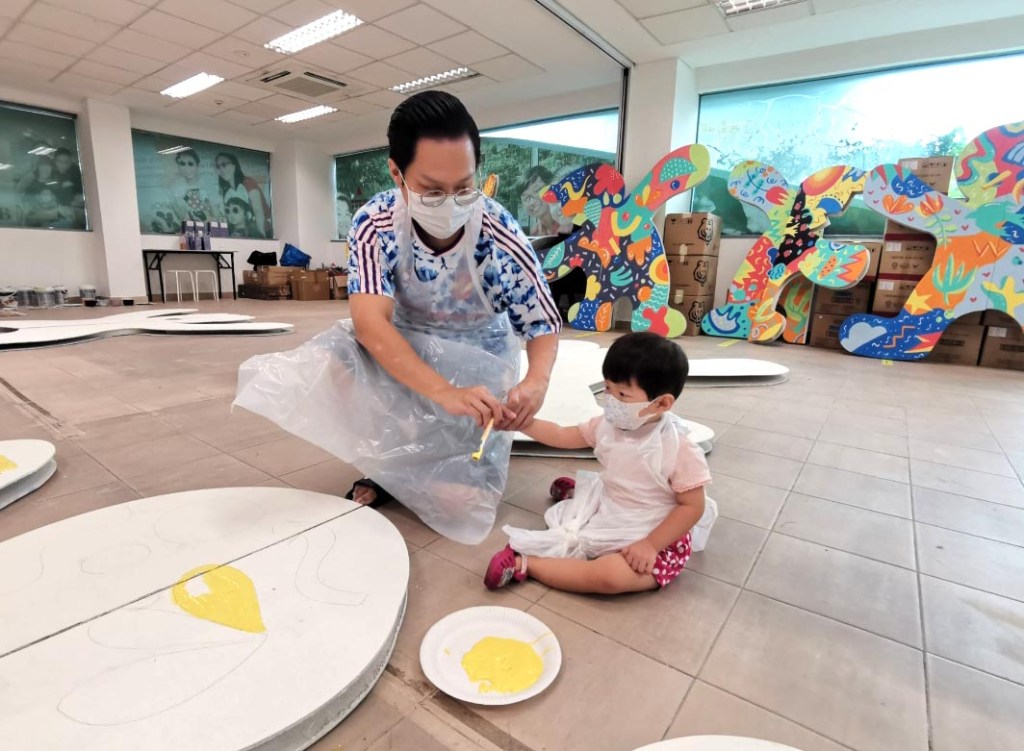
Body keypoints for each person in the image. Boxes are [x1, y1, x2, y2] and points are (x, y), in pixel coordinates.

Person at [234, 91, 561, 545]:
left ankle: (435, 459)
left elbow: (541, 320)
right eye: (433, 191)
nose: (451, 203)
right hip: (404, 348)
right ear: (396, 173)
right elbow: (371, 325)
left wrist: (536, 382)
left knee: (460, 504)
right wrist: (442, 391)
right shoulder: (376, 223)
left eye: (464, 187)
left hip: (478, 358)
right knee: (337, 355)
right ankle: (387, 464)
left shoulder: (497, 229)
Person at [484, 332, 716, 594]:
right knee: (582, 515)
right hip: (613, 505)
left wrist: (651, 544)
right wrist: (522, 423)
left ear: (661, 403)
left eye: (623, 395)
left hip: (656, 531)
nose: (611, 401)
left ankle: (525, 564)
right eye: (607, 388)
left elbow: (692, 507)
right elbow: (562, 435)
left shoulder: (679, 449)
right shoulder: (606, 426)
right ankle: (580, 496)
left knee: (610, 577)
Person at [215, 152, 271, 238]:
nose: (221, 169)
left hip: (261, 231)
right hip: (241, 234)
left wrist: (261, 235)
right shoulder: (224, 189)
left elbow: (258, 210)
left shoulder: (248, 182)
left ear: (234, 165)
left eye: (224, 164)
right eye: (218, 166)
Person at [170, 148, 215, 224]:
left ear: (197, 165)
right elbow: (180, 215)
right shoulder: (177, 189)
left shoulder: (207, 185)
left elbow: (215, 211)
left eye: (190, 164)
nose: (186, 168)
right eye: (182, 164)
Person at [519, 165, 561, 236]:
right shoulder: (535, 233)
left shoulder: (570, 224)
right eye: (525, 198)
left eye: (537, 191)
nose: (531, 202)